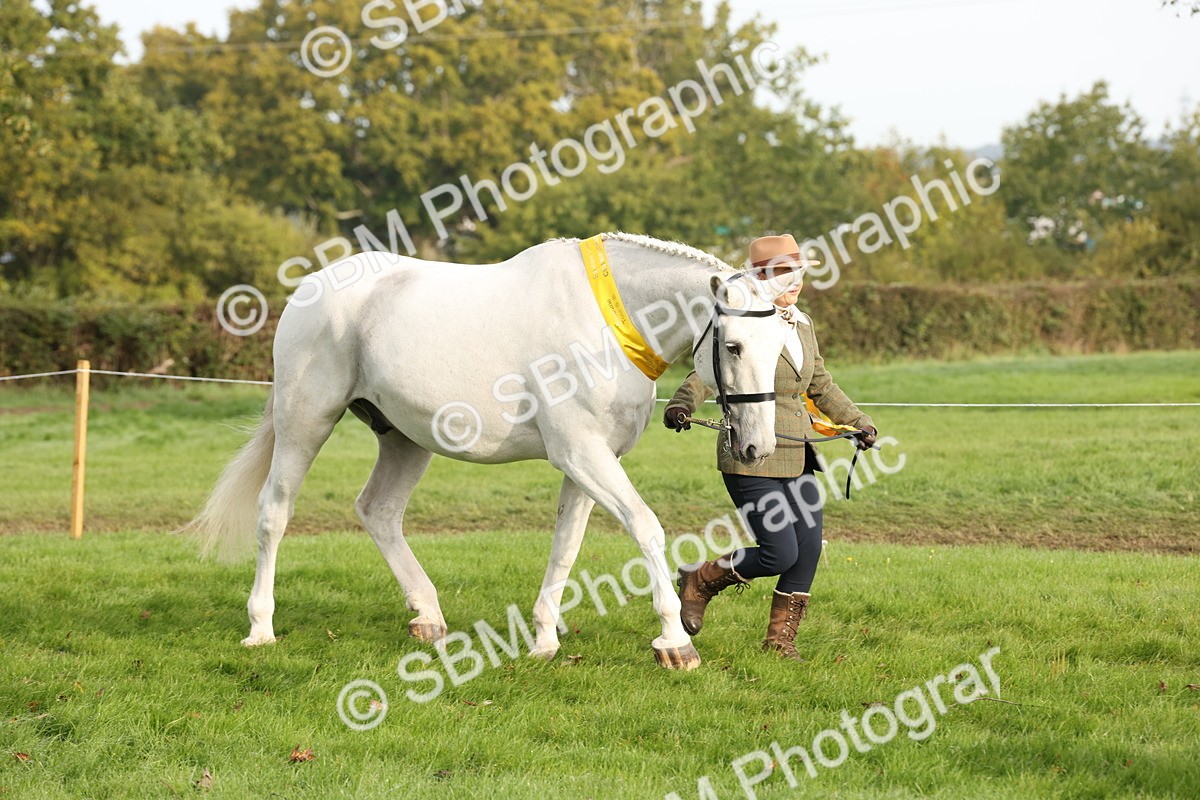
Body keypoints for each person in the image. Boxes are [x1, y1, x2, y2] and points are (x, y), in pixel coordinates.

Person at [664, 234, 877, 661]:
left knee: (808, 549)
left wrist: (859, 422)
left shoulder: (803, 324)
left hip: (797, 454)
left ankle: (780, 641)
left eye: (797, 273)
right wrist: (682, 403)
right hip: (748, 451)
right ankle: (701, 579)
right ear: (759, 277)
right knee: (779, 551)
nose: (793, 282)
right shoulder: (739, 318)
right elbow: (708, 373)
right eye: (782, 274)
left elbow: (820, 384)